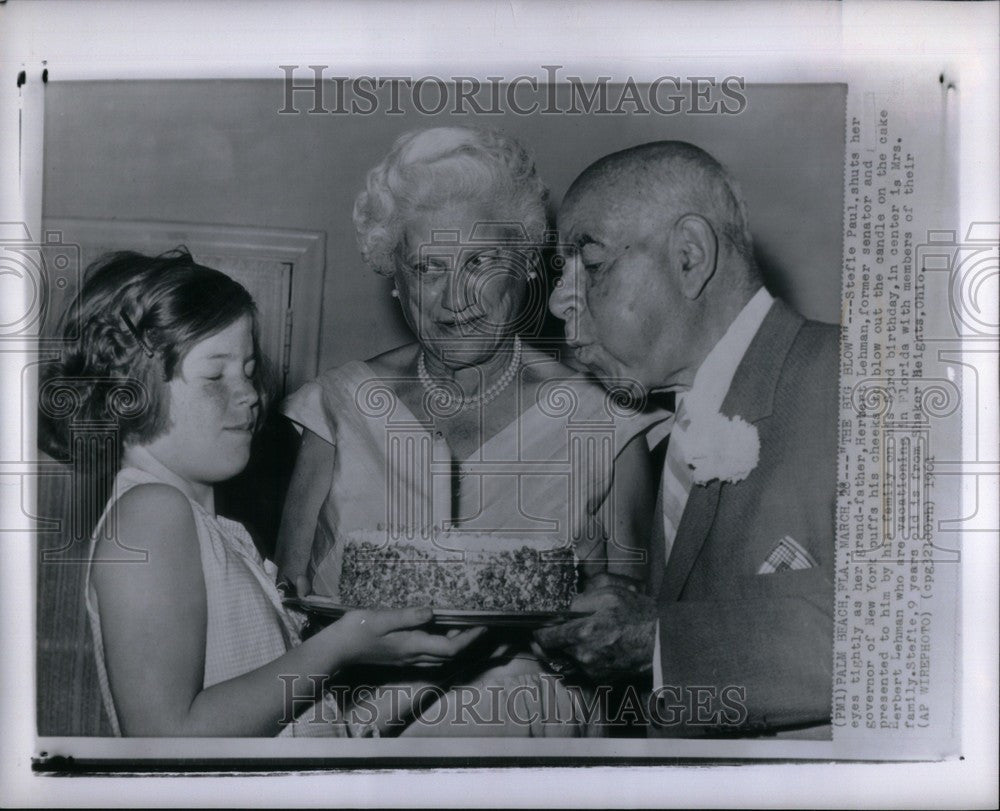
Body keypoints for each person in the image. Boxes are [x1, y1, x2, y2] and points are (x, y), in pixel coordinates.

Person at [275, 126, 662, 736]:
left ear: (528, 266)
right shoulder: (335, 407)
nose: (456, 298)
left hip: (536, 753)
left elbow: (635, 645)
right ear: (395, 277)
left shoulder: (608, 425)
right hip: (358, 747)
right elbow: (287, 614)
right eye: (428, 267)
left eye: (481, 262)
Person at [44, 249, 481, 737]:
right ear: (129, 391)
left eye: (249, 371)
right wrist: (338, 647)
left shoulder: (205, 526)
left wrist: (429, 671)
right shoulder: (150, 513)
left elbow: (291, 730)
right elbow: (165, 737)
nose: (250, 394)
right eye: (216, 376)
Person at [538, 141, 838, 738]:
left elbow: (915, 642)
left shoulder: (863, 378)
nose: (557, 300)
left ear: (689, 257)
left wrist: (657, 639)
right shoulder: (669, 427)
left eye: (591, 265)